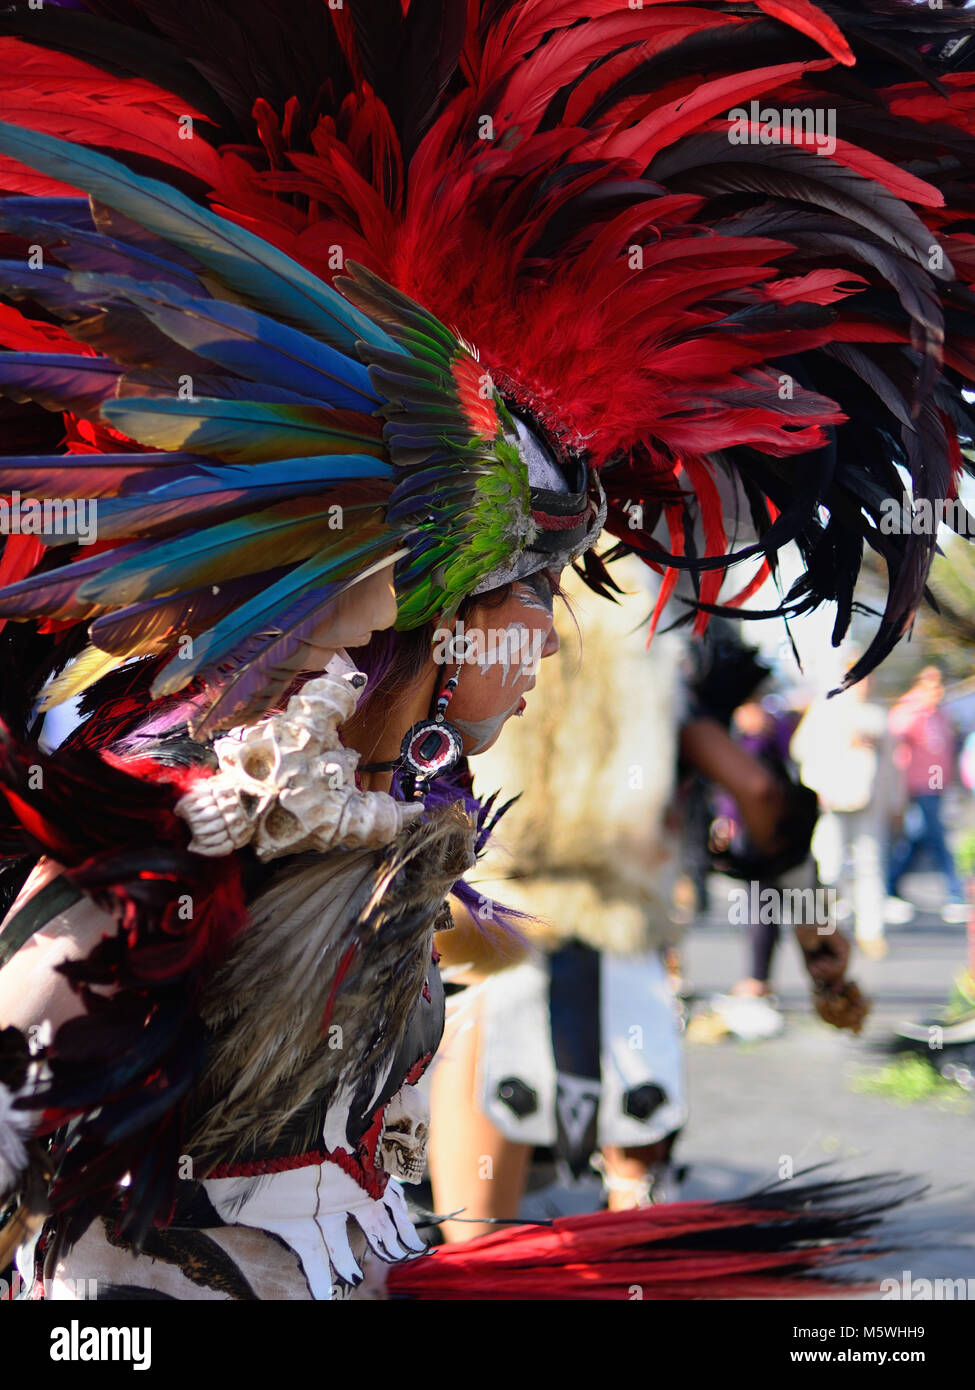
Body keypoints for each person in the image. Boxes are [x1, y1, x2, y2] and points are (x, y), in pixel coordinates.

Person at [0, 0, 971, 1303]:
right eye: (535, 592)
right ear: (415, 603)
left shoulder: (370, 816)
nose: (554, 636)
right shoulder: (165, 850)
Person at [792, 677, 889, 956]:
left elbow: (892, 765)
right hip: (831, 801)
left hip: (868, 802)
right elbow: (801, 749)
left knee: (869, 866)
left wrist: (895, 802)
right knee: (829, 866)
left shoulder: (877, 714)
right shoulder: (826, 709)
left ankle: (871, 931)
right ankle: (827, 929)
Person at [885, 668, 967, 923]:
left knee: (918, 839)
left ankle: (890, 885)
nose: (937, 690)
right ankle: (955, 892)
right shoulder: (908, 713)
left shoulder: (939, 714)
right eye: (932, 685)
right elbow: (893, 746)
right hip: (916, 786)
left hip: (935, 785)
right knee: (938, 838)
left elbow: (944, 750)